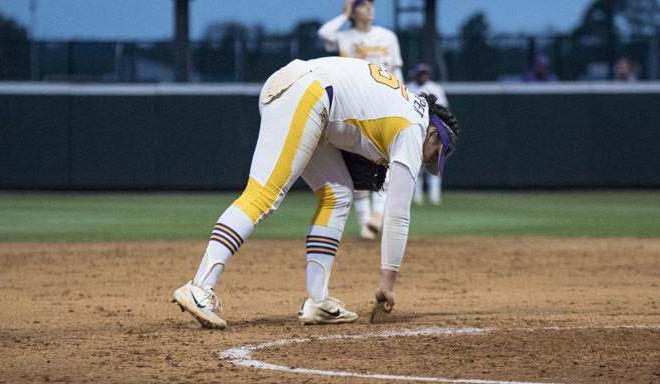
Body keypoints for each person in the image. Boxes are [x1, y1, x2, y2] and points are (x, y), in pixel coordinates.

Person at [172, 57, 459, 329]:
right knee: (263, 195)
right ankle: (199, 286)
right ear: (434, 134)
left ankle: (318, 301)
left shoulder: (408, 107)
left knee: (339, 194)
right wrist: (387, 283)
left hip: (308, 94)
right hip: (308, 93)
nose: (426, 161)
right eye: (433, 155)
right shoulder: (415, 128)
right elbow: (397, 217)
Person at [318, 0, 404, 239]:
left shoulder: (387, 37)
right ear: (354, 12)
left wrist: (403, 100)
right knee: (355, 167)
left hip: (384, 105)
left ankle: (377, 216)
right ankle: (367, 222)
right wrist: (344, 15)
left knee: (384, 163)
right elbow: (324, 33)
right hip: (355, 105)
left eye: (370, 5)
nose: (370, 9)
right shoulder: (345, 37)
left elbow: (397, 72)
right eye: (364, 6)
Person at [407, 63, 449, 205]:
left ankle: (434, 198)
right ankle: (416, 198)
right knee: (416, 166)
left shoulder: (435, 88)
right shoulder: (408, 88)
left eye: (424, 73)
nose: (422, 76)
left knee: (434, 164)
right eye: (420, 73)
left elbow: (442, 110)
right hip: (415, 130)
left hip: (432, 130)